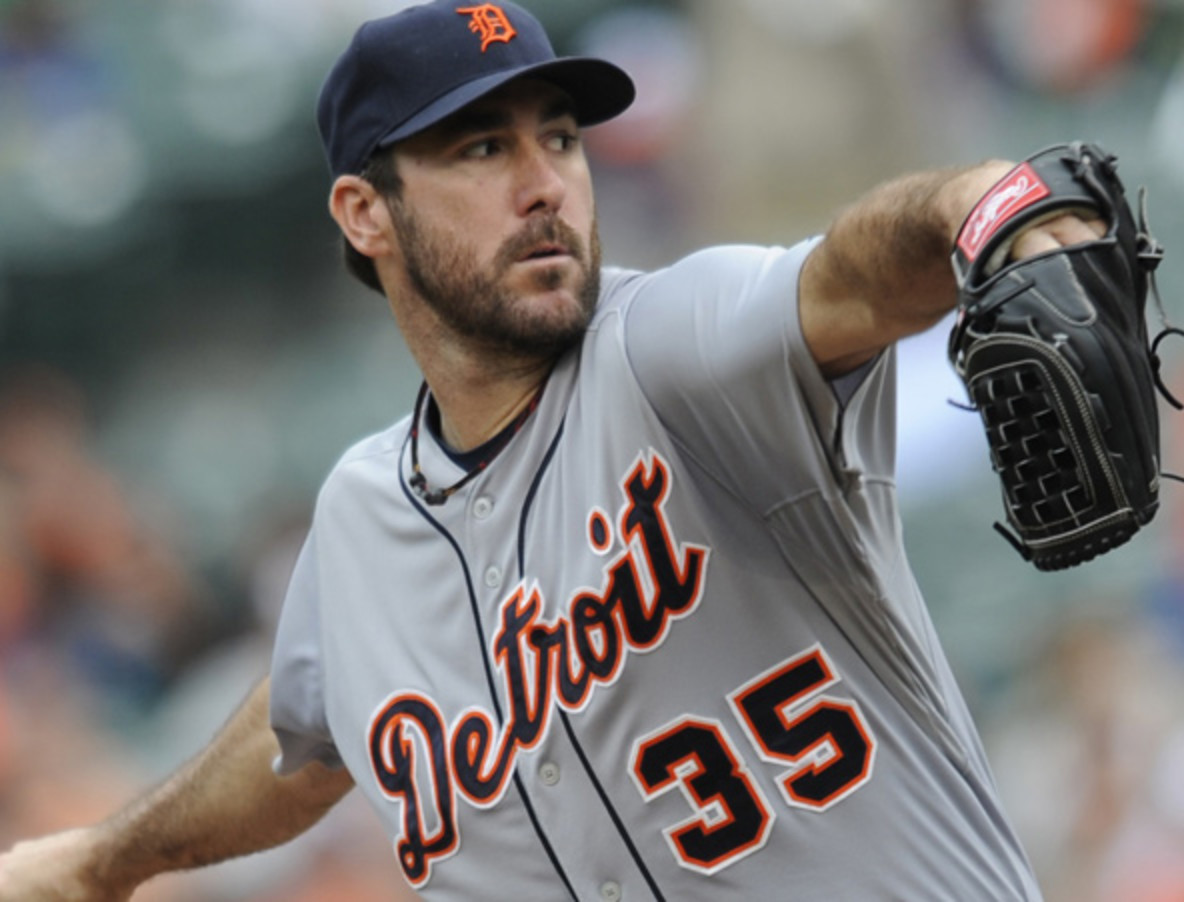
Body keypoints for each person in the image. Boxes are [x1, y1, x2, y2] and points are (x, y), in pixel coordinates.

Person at [0, 1, 1106, 898]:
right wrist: (106, 860)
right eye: (484, 147)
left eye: (561, 138)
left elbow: (851, 276)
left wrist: (978, 205)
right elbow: (310, 729)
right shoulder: (360, 521)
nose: (544, 183)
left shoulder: (672, 349)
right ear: (365, 212)